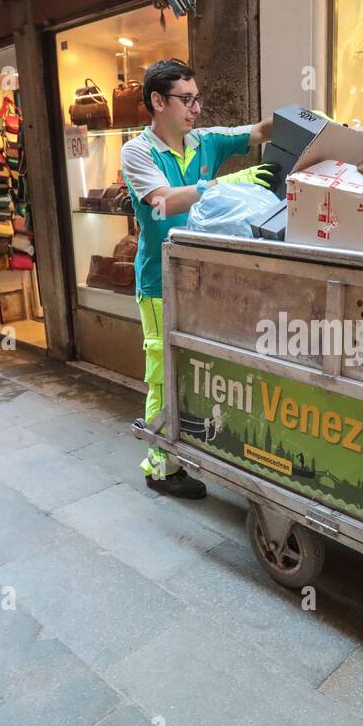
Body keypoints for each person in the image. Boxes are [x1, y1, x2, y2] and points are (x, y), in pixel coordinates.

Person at [120, 58, 273, 498]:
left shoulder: (204, 141)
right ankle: (159, 467)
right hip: (160, 283)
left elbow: (260, 131)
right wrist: (221, 186)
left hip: (206, 281)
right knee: (164, 374)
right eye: (186, 100)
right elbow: (161, 203)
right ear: (157, 101)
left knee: (202, 373)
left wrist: (321, 127)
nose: (196, 109)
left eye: (197, 99)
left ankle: (192, 447)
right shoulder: (138, 152)